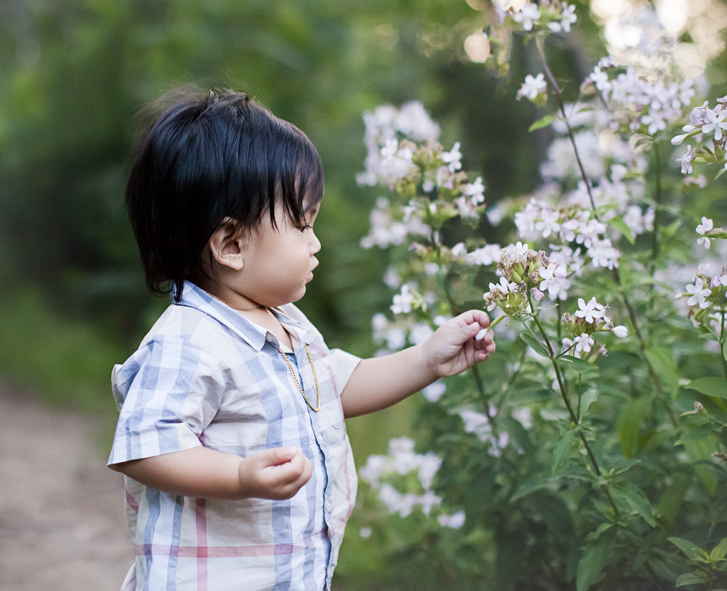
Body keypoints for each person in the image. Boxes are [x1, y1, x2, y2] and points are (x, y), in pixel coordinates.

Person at [107, 88, 496, 590]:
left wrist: (426, 359)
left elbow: (331, 388)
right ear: (231, 244)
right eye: (301, 224)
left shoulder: (284, 320)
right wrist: (241, 476)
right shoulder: (190, 340)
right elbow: (147, 449)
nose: (315, 243)